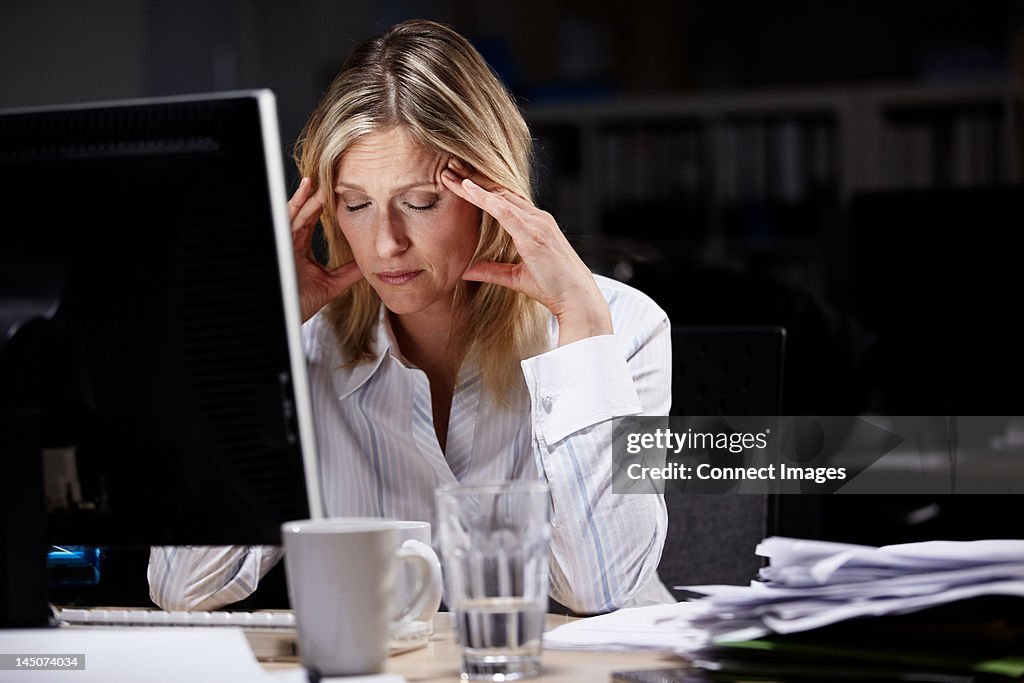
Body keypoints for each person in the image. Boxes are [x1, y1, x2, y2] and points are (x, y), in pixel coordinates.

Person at [148, 19, 672, 615]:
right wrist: (259, 344)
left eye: (421, 203)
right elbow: (183, 589)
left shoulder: (621, 329)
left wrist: (580, 330)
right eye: (356, 204)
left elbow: (601, 589)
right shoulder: (304, 349)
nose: (386, 243)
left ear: (493, 191)